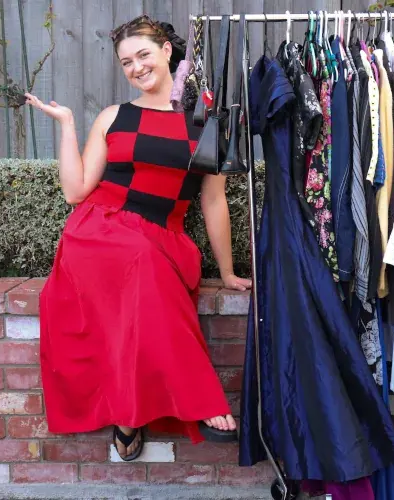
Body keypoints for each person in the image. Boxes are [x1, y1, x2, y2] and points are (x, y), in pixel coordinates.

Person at [26, 15, 250, 462]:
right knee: (140, 261)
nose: (136, 67)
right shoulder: (115, 116)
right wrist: (68, 124)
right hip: (100, 229)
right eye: (127, 62)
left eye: (143, 55)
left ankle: (128, 409)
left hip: (164, 237)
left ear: (167, 51)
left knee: (147, 267)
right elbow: (76, 191)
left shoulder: (205, 123)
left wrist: (226, 271)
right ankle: (203, 401)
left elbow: (212, 203)